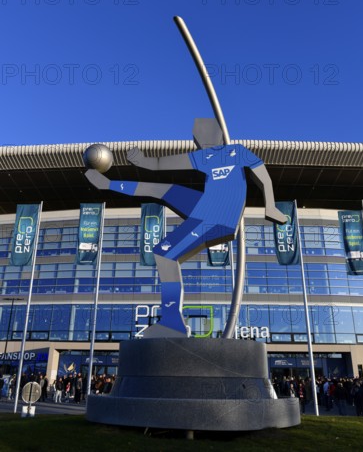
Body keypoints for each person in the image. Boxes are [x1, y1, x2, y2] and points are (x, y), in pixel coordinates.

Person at [86, 118, 286, 337]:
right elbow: (158, 165)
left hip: (216, 217)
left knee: (164, 254)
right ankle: (109, 184)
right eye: (198, 134)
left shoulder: (236, 152)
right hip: (204, 206)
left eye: (202, 133)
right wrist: (142, 161)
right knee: (162, 190)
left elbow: (262, 175)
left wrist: (271, 207)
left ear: (216, 134)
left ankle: (172, 323)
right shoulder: (203, 156)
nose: (201, 137)